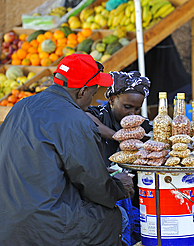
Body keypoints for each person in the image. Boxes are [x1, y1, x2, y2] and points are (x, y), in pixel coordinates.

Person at [0, 54, 134, 246]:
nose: (93, 98)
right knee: (118, 216)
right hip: (48, 228)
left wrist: (101, 173)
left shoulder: (21, 107)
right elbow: (97, 190)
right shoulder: (76, 120)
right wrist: (119, 185)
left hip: (7, 222)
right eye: (94, 91)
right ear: (82, 91)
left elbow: (43, 163)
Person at [86, 71, 152, 245]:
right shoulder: (98, 115)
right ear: (112, 99)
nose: (132, 113)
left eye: (137, 108)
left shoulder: (141, 125)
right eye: (127, 106)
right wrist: (115, 135)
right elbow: (79, 115)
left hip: (131, 197)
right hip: (103, 197)